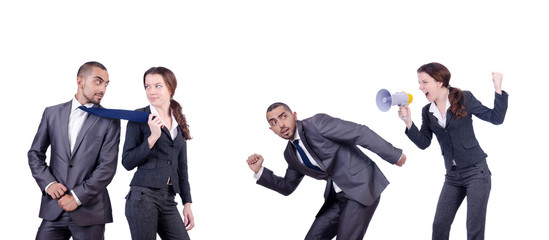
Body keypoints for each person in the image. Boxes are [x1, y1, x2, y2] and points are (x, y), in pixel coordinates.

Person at [247, 102, 407, 240]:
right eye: (274, 122)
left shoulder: (316, 124)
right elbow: (287, 186)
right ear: (271, 129)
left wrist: (393, 155)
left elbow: (359, 132)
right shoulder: (290, 154)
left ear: (294, 115)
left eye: (283, 117)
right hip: (336, 198)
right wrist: (259, 170)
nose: (281, 125)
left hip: (360, 187)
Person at [398, 62, 508, 240]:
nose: (420, 87)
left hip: (476, 172)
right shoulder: (427, 111)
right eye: (419, 83)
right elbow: (424, 143)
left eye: (424, 82)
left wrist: (498, 88)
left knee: (473, 228)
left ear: (439, 82)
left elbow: (496, 118)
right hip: (452, 176)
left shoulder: (464, 98)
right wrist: (408, 123)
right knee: (439, 226)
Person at [28, 61, 121, 240]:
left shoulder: (111, 120)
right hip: (54, 208)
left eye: (106, 84)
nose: (103, 89)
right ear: (80, 82)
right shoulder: (52, 113)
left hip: (90, 211)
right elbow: (35, 154)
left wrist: (77, 197)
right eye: (98, 81)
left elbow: (107, 167)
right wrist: (49, 184)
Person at [122, 66, 194, 240]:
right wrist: (152, 138)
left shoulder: (178, 120)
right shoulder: (138, 117)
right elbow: (127, 161)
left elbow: (181, 167)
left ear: (170, 88)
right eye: (147, 86)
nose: (151, 91)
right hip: (142, 197)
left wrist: (187, 203)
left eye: (158, 86)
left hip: (168, 197)